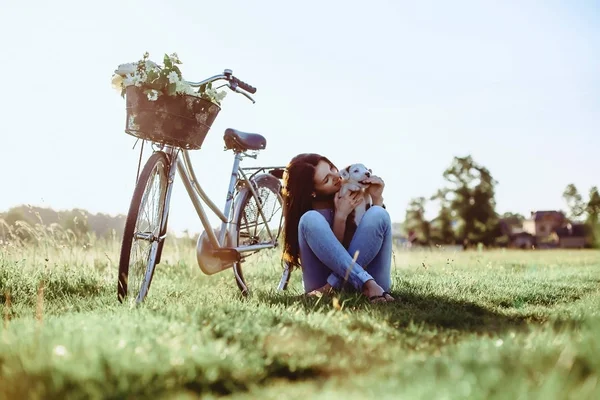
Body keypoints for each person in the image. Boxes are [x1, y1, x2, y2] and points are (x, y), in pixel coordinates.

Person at [281, 153, 394, 303]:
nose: (336, 177)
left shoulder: (355, 195)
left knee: (378, 213)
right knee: (310, 219)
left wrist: (376, 198)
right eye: (326, 180)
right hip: (321, 280)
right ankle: (365, 283)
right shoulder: (311, 216)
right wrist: (341, 216)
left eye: (332, 169)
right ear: (312, 192)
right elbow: (335, 254)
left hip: (369, 279)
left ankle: (332, 286)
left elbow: (372, 237)